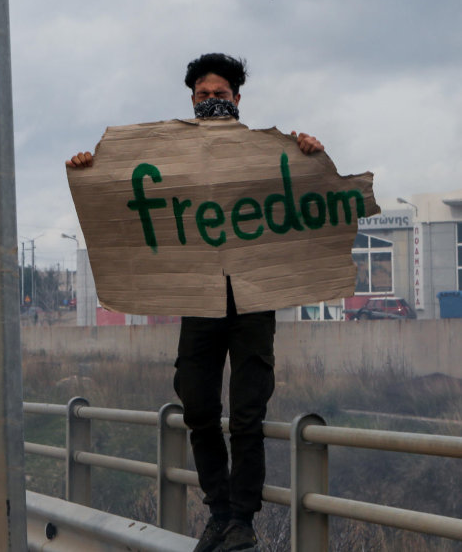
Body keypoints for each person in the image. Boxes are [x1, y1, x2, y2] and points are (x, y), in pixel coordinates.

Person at [66, 53, 324, 552]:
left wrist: (309, 150)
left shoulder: (266, 151)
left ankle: (242, 522)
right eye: (203, 96)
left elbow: (302, 193)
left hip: (252, 300)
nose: (212, 102)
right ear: (191, 100)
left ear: (238, 100)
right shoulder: (173, 158)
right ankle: (220, 511)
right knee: (198, 407)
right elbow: (126, 190)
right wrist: (92, 168)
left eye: (220, 95)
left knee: (248, 414)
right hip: (198, 299)